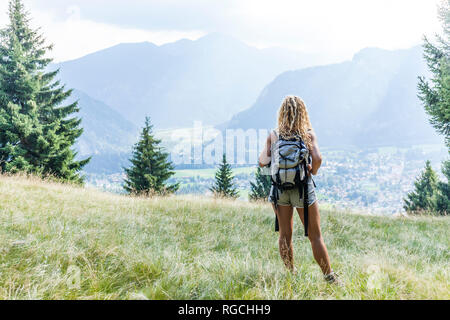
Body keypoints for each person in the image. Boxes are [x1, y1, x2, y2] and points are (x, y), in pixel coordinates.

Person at [258, 95, 340, 284]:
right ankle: (330, 277)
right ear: (302, 112)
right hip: (303, 189)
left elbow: (263, 161)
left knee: (285, 235)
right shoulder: (308, 134)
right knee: (315, 236)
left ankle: (291, 273)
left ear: (282, 113)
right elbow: (317, 158)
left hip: (279, 191)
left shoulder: (274, 135)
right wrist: (313, 170)